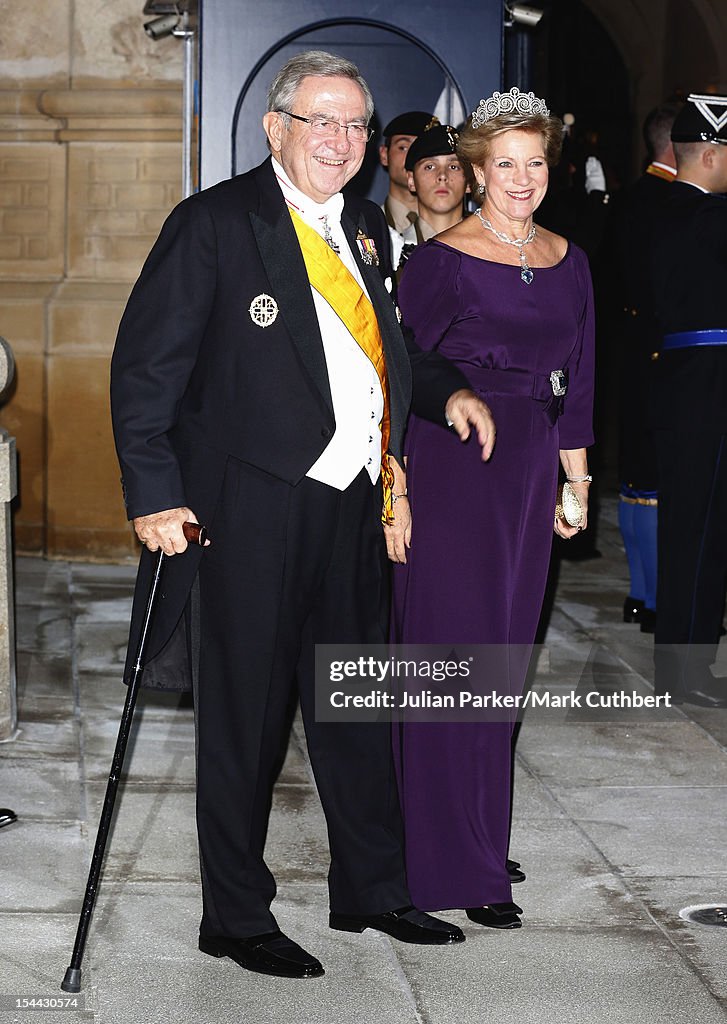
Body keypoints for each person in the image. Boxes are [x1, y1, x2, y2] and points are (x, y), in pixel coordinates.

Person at [110, 50, 496, 980]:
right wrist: (155, 492)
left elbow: (385, 348)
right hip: (248, 506)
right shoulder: (213, 223)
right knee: (244, 722)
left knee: (355, 703)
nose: (339, 140)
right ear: (275, 127)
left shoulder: (365, 227)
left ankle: (373, 888)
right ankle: (235, 917)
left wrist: (441, 393)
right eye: (320, 120)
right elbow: (144, 370)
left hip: (351, 505)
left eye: (356, 125)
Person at [391, 87, 595, 928]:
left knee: (499, 669)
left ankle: (475, 843)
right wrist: (393, 490)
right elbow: (398, 378)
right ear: (475, 173)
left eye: (534, 163)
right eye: (503, 164)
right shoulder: (441, 261)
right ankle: (439, 858)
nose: (520, 179)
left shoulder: (569, 258)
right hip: (452, 470)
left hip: (527, 475)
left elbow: (578, 383)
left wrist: (574, 481)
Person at [650, 92, 727, 708]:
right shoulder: (703, 215)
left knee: (698, 526)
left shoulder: (664, 208)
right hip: (708, 381)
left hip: (689, 379)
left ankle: (686, 662)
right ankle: (685, 671)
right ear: (710, 154)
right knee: (700, 529)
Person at [609, 101, 681, 634]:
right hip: (667, 353)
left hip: (629, 350)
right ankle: (658, 600)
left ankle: (639, 592)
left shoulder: (629, 199)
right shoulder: (679, 203)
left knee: (636, 481)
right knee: (660, 482)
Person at [392, 122, 470, 275]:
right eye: (430, 166)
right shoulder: (393, 253)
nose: (442, 176)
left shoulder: (490, 249)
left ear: (469, 181)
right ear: (411, 180)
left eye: (454, 167)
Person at [379, 110, 439, 252]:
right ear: (384, 155)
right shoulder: (366, 225)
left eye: (423, 148)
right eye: (403, 147)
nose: (412, 156)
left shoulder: (459, 227)